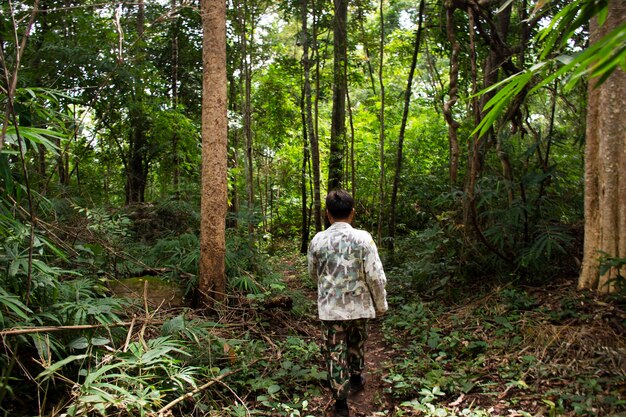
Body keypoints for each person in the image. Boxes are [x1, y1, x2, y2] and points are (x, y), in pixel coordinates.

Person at [308, 189, 388, 417]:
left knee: (334, 353)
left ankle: (341, 404)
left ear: (327, 214)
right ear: (352, 213)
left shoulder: (317, 240)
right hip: (359, 305)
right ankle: (355, 377)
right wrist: (380, 305)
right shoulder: (364, 238)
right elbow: (375, 275)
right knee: (357, 341)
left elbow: (314, 274)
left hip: (331, 310)